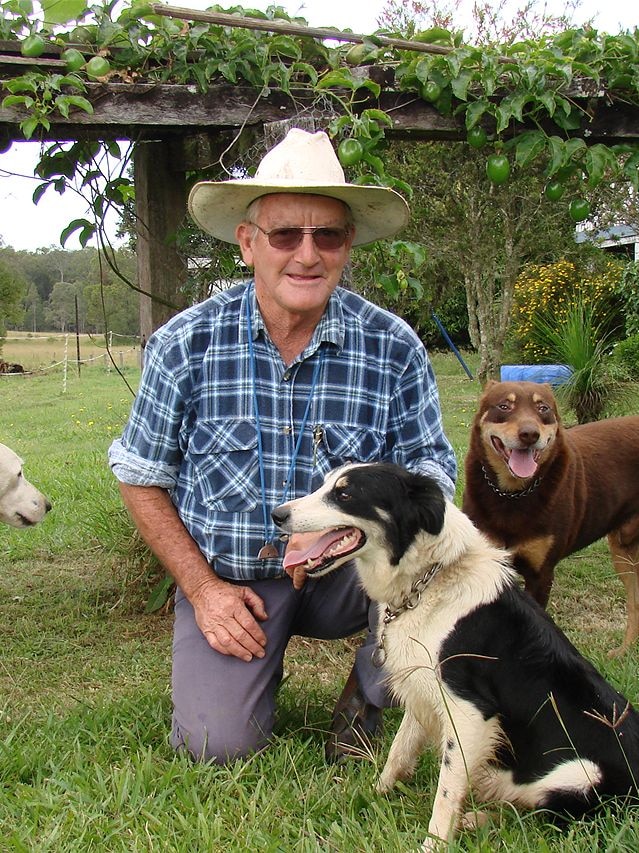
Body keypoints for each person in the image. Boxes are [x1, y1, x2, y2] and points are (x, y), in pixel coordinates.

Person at [108, 128, 456, 764]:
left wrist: (352, 535)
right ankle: (243, 667)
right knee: (218, 745)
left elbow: (431, 470)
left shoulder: (393, 345)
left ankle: (370, 692)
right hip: (235, 580)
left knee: (446, 548)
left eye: (327, 234)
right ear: (247, 244)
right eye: (285, 234)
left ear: (348, 245)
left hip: (357, 572)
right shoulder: (186, 344)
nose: (307, 253)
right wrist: (203, 590)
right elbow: (139, 474)